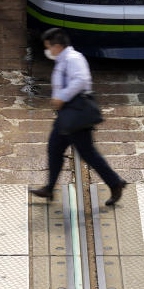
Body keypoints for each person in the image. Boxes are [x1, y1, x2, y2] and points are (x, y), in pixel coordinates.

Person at [31, 28, 126, 205]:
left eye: (49, 47)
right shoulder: (63, 60)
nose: (48, 51)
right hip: (67, 115)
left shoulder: (73, 58)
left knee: (88, 153)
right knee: (55, 149)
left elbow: (81, 80)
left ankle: (115, 183)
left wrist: (62, 97)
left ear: (57, 46)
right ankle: (49, 188)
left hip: (76, 114)